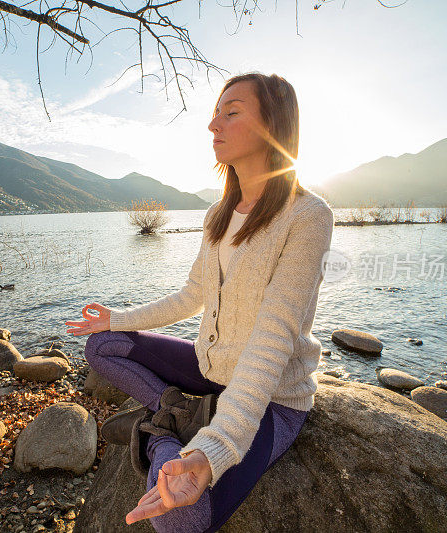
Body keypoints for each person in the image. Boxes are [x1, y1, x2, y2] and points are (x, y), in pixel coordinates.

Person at [64, 72, 335, 533]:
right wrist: (117, 317)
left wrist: (212, 450)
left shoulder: (309, 216)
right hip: (211, 371)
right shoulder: (218, 213)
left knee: (179, 518)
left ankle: (162, 437)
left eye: (231, 113)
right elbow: (193, 294)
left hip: (271, 398)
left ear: (274, 126)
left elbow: (274, 336)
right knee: (101, 346)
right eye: (215, 113)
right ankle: (172, 412)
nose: (214, 125)